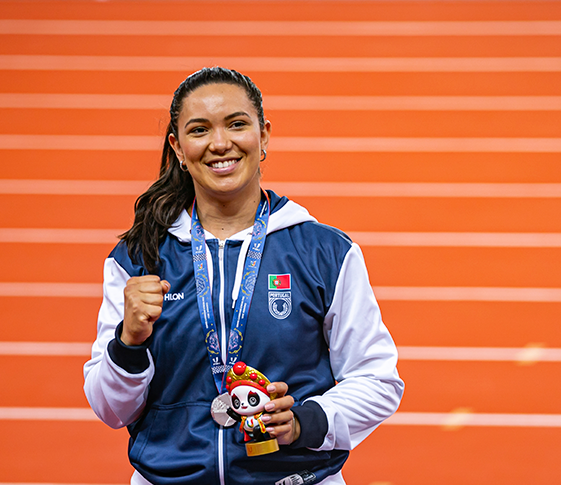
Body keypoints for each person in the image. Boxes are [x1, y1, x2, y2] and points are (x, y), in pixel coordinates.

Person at [83, 67, 404, 485]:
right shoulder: (139, 257)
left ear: (264, 135)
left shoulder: (324, 252)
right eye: (200, 130)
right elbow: (111, 410)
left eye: (237, 124)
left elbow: (377, 379)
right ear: (178, 148)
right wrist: (128, 342)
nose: (220, 144)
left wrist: (307, 421)